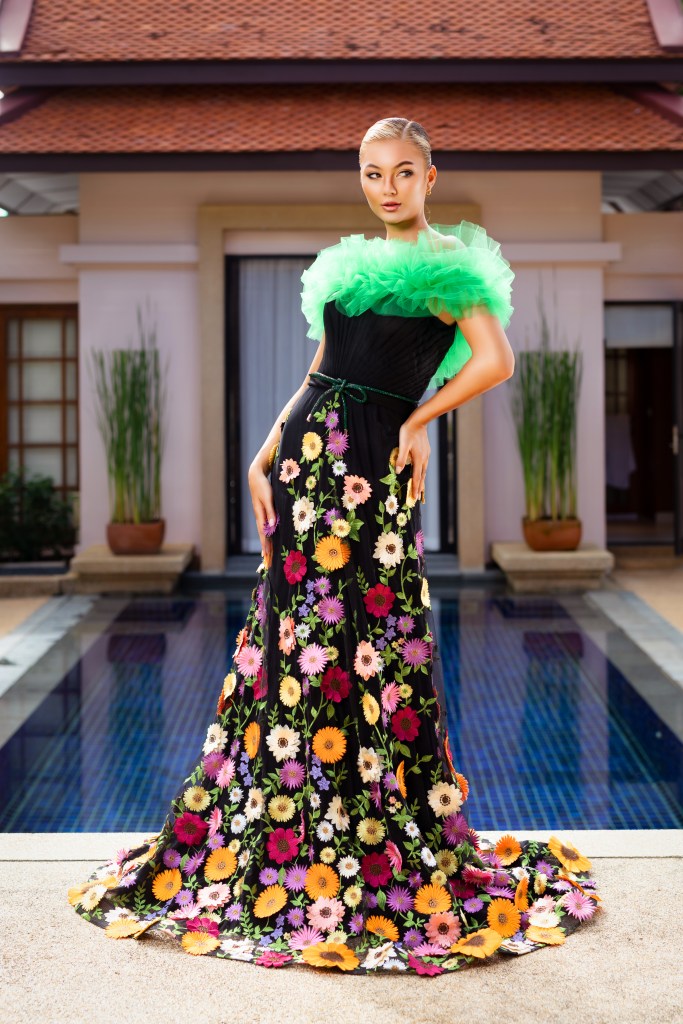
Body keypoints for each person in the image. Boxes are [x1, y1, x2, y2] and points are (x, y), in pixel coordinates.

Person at [68, 117, 602, 975]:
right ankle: (294, 812)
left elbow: (494, 361)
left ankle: (366, 823)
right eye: (370, 173)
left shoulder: (452, 270)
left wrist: (421, 419)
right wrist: (268, 442)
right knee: (294, 637)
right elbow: (322, 368)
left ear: (430, 176)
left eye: (401, 172)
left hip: (370, 470)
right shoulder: (349, 266)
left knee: (368, 635)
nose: (384, 187)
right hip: (308, 457)